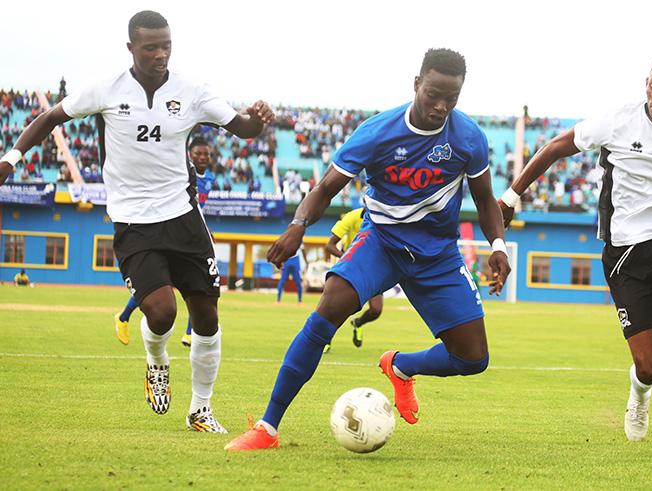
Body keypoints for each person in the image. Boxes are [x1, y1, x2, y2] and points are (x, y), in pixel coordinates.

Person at [0, 10, 274, 433]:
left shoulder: (193, 90)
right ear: (131, 48)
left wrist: (258, 117)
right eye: (151, 48)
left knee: (206, 315)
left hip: (183, 216)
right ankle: (156, 360)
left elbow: (243, 128)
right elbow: (50, 118)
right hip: (132, 221)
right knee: (161, 313)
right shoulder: (106, 88)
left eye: (167, 45)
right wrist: (10, 159)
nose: (161, 54)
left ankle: (200, 409)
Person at [225, 48, 511, 451]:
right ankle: (267, 427)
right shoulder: (377, 132)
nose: (441, 106)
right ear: (417, 84)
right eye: (433, 95)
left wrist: (497, 245)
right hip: (381, 243)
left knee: (472, 359)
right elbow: (325, 188)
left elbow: (484, 200)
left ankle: (401, 365)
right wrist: (297, 227)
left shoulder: (468, 137)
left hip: (438, 255)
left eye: (452, 98)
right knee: (327, 311)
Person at [498, 57, 652, 452]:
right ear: (646, 83)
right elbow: (555, 148)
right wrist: (510, 197)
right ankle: (639, 396)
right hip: (625, 253)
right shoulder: (616, 120)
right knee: (650, 369)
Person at [114, 136, 217, 348]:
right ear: (189, 154)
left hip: (191, 231)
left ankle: (189, 333)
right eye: (198, 153)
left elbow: (197, 205)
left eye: (206, 154)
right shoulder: (179, 171)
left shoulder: (209, 179)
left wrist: (203, 228)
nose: (202, 157)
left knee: (197, 282)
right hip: (166, 230)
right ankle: (124, 317)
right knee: (159, 285)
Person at [323, 207, 383, 353]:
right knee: (339, 307)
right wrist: (348, 257)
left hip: (373, 267)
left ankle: (357, 323)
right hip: (351, 267)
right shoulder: (352, 217)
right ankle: (325, 340)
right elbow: (330, 245)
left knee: (376, 310)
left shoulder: (384, 218)